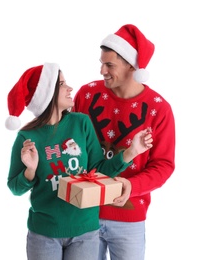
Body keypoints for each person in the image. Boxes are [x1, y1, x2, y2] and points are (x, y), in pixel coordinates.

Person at [4, 62, 153, 260]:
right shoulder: (27, 137)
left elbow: (99, 172)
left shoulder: (81, 123)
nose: (69, 88)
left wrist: (132, 151)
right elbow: (15, 187)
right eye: (62, 84)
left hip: (86, 231)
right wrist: (30, 170)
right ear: (46, 94)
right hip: (44, 233)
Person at [73, 24, 176, 260]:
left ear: (131, 65)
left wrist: (132, 186)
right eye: (101, 63)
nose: (102, 70)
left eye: (109, 65)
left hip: (129, 218)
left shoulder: (159, 108)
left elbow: (164, 165)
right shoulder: (86, 95)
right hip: (83, 214)